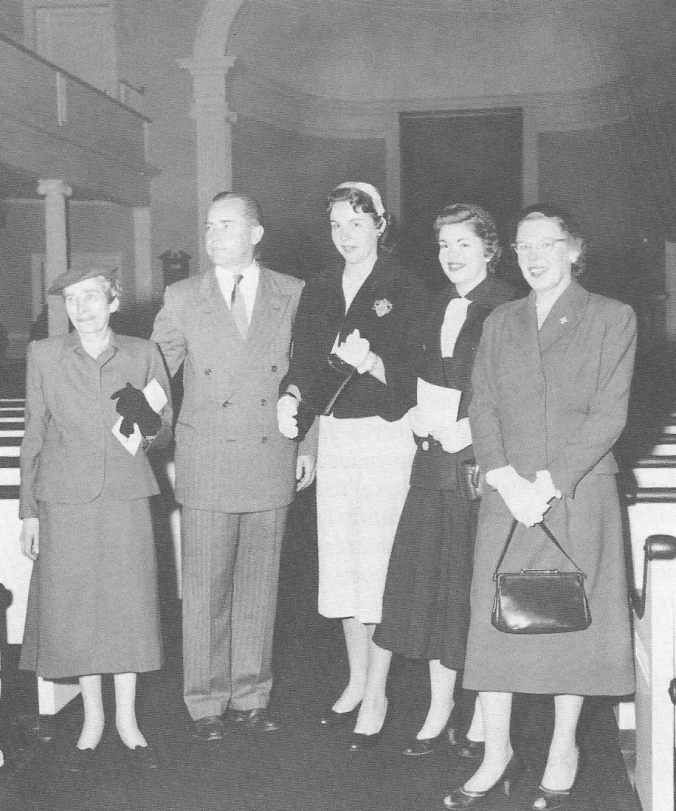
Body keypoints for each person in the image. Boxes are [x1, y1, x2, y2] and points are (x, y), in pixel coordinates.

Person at [443, 203, 637, 810]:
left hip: (575, 492)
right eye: (523, 247)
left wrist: (548, 483)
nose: (533, 257)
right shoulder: (501, 319)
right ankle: (496, 753)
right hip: (507, 494)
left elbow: (610, 414)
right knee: (495, 626)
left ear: (574, 249)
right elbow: (483, 404)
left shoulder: (612, 317)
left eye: (546, 244)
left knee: (569, 623)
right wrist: (503, 475)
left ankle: (562, 748)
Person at [151, 191, 317, 741]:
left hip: (272, 453)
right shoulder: (182, 296)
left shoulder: (293, 293)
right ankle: (204, 703)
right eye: (208, 226)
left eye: (226, 225)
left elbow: (309, 374)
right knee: (204, 587)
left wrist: (308, 444)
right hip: (208, 458)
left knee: (259, 587)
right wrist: (137, 414)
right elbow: (156, 374)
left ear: (256, 233)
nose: (213, 235)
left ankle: (251, 695)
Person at [278, 181, 426, 751]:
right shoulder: (317, 290)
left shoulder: (405, 288)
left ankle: (380, 691)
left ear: (381, 224)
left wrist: (377, 365)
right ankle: (356, 677)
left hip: (386, 437)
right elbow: (304, 364)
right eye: (337, 225)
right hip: (337, 438)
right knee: (341, 560)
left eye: (357, 224)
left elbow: (415, 375)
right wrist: (292, 399)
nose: (346, 235)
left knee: (379, 564)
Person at [373, 203, 514, 756]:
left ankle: (484, 710)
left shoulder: (509, 305)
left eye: (462, 244)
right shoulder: (435, 306)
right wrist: (410, 411)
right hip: (432, 465)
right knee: (430, 589)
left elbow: (512, 392)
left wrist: (471, 432)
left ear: (487, 248)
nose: (451, 255)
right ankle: (440, 705)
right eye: (443, 245)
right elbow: (416, 379)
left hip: (482, 468)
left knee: (470, 591)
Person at [19, 266, 172, 771]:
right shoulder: (43, 354)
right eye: (71, 300)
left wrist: (146, 424)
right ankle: (93, 718)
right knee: (78, 609)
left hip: (126, 496)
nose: (81, 308)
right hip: (63, 500)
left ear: (113, 301)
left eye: (91, 297)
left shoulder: (144, 353)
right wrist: (29, 511)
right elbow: (34, 436)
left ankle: (127, 718)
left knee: (128, 606)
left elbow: (163, 435)